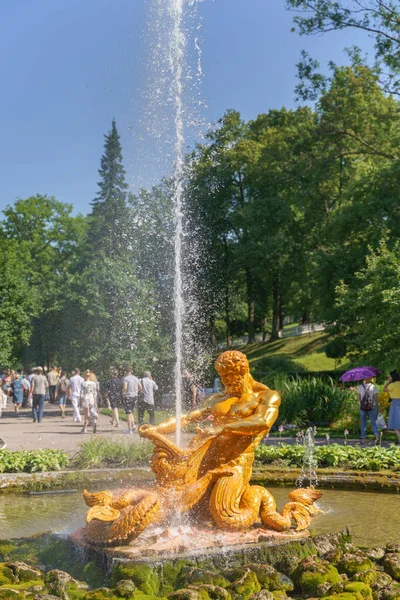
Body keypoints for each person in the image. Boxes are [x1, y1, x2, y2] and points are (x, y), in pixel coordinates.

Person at [357, 377, 380, 443]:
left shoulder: (360, 387)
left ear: (364, 379)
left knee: (363, 422)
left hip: (362, 407)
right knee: (373, 422)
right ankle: (377, 437)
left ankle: (363, 438)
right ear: (370, 379)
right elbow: (376, 398)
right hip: (372, 407)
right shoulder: (373, 387)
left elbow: (358, 397)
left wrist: (361, 404)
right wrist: (379, 407)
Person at [121, 367, 141, 434]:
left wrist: (124, 392)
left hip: (128, 397)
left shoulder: (125, 378)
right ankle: (133, 425)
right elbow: (140, 388)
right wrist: (135, 392)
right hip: (135, 396)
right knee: (131, 412)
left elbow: (125, 388)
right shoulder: (136, 378)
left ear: (126, 372)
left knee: (128, 413)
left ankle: (129, 430)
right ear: (131, 371)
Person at [384, 370, 400, 445]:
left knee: (395, 423)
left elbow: (384, 389)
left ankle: (399, 440)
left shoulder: (392, 385)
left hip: (395, 403)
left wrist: (388, 382)